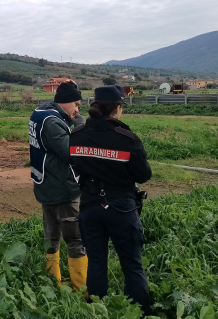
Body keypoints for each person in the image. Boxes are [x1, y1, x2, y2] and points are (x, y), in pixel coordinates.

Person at [69, 85, 152, 315]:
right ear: (117, 108)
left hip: (89, 207)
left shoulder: (76, 136)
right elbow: (144, 175)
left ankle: (97, 311)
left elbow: (75, 165)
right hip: (122, 208)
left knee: (96, 264)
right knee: (132, 266)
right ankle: (141, 313)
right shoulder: (127, 139)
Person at [29, 80, 88, 290]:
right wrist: (81, 127)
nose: (78, 109)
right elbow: (71, 152)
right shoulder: (53, 123)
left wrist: (69, 121)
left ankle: (51, 282)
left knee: (51, 237)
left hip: (44, 185)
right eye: (77, 105)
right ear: (67, 102)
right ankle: (81, 290)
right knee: (75, 239)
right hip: (62, 189)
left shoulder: (40, 114)